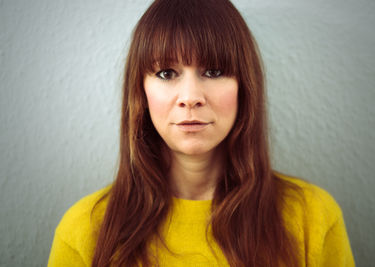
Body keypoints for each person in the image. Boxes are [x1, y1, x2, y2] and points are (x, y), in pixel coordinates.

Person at [48, 0, 355, 266]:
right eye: (167, 74)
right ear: (140, 92)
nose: (190, 96)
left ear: (244, 87)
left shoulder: (312, 218)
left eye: (213, 71)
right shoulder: (84, 230)